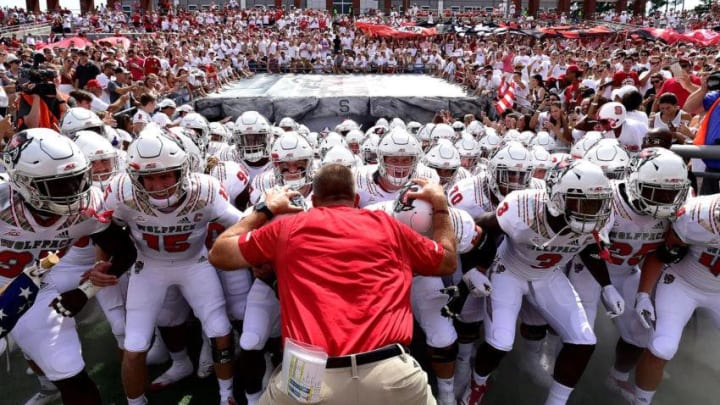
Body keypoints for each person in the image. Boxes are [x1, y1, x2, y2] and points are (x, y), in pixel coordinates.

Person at [209, 164, 458, 405]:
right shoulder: (388, 225)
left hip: (311, 374)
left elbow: (219, 253)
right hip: (388, 370)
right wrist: (440, 205)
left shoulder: (288, 228)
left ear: (314, 201)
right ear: (356, 198)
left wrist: (264, 209)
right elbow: (447, 262)